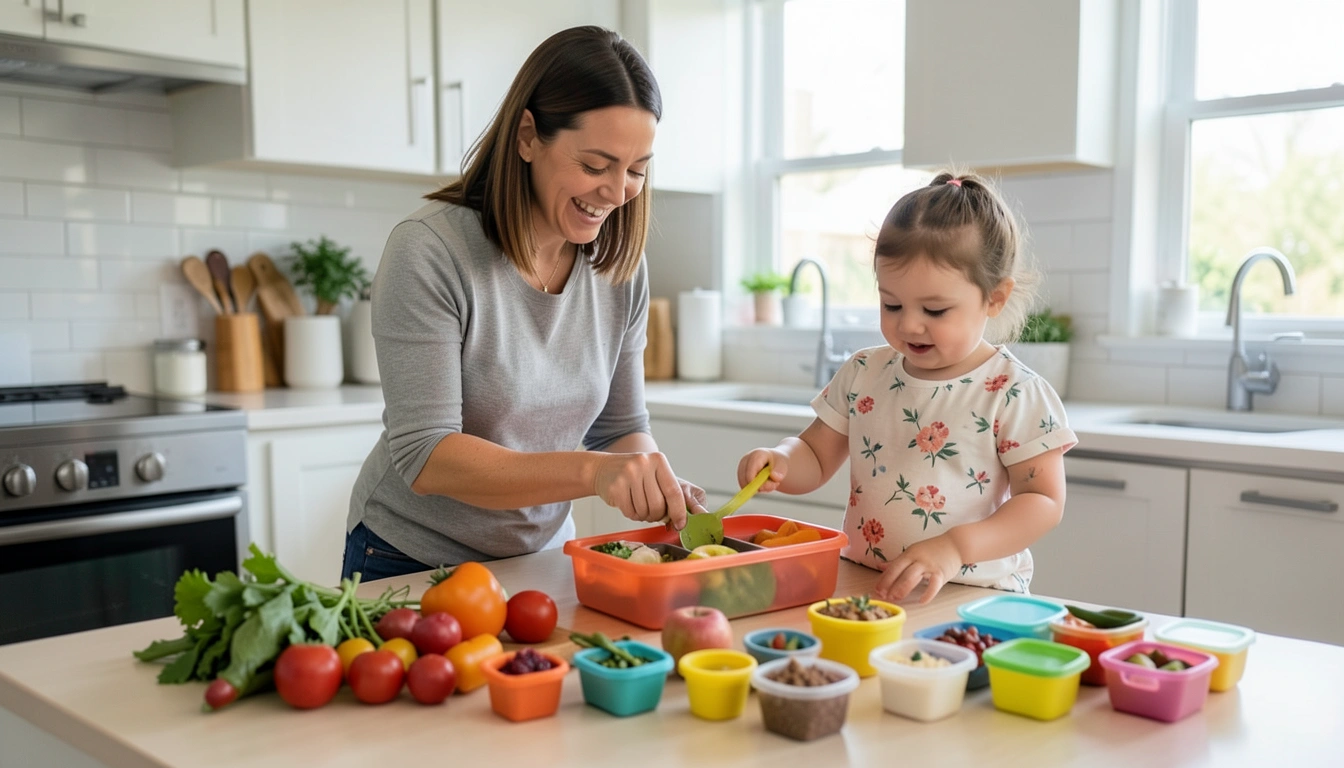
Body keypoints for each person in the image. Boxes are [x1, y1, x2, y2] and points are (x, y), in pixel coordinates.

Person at [342, 26, 708, 582]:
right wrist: (595, 472)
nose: (617, 192)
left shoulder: (618, 270)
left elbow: (620, 427)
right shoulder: (431, 250)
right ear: (528, 136)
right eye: (595, 165)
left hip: (539, 556)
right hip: (409, 560)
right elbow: (427, 453)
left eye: (636, 170)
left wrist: (647, 476)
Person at [736, 171, 1077, 603]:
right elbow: (817, 457)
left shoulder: (1013, 392)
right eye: (891, 304)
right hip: (867, 583)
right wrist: (781, 459)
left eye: (934, 310)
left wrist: (955, 548)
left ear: (995, 298)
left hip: (971, 593)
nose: (908, 324)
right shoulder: (864, 372)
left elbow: (1043, 502)